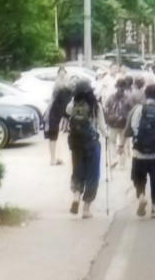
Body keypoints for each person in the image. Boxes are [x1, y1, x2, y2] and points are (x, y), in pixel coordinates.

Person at [121, 84, 155, 218]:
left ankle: (142, 196)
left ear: (145, 95)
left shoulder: (137, 109)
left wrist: (121, 145)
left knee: (138, 178)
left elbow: (127, 131)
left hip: (139, 154)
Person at [65, 80, 108, 218]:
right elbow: (102, 127)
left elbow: (67, 111)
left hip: (76, 145)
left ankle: (76, 196)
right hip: (92, 144)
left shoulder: (72, 105)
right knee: (92, 176)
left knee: (77, 172)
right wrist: (107, 136)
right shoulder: (96, 106)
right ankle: (86, 209)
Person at [104, 77, 135, 169]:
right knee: (123, 143)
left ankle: (113, 158)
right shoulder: (128, 97)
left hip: (112, 123)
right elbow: (131, 110)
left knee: (112, 141)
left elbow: (106, 108)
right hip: (124, 123)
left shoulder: (111, 97)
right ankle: (122, 163)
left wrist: (107, 119)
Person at [44, 77, 73, 166]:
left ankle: (52, 158)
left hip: (54, 115)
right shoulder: (69, 93)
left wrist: (46, 116)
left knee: (52, 136)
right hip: (59, 114)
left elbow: (50, 104)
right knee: (54, 135)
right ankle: (54, 158)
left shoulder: (57, 93)